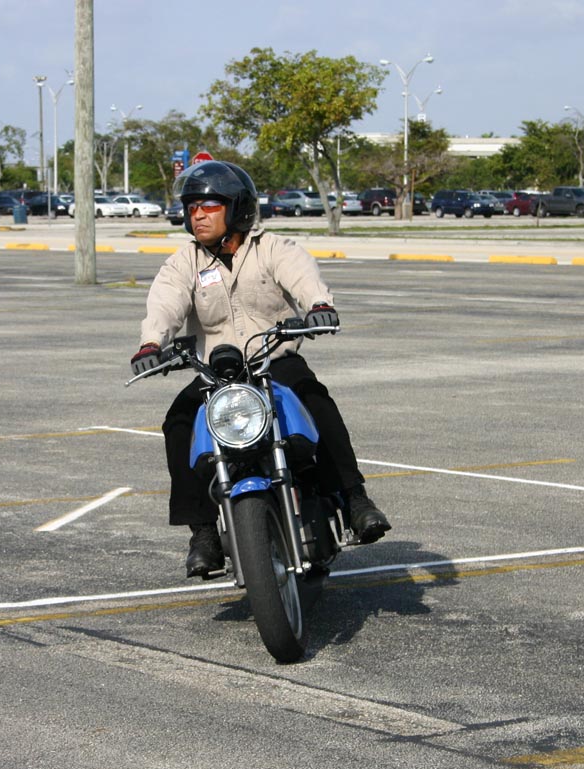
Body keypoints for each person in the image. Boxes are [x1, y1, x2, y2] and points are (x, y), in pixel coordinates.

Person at [131, 161, 390, 578]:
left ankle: (354, 497)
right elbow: (166, 302)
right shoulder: (184, 263)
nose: (197, 215)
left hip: (274, 362)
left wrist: (318, 305)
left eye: (208, 206)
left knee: (314, 399)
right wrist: (151, 344)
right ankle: (203, 533)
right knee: (178, 422)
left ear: (236, 208)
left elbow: (302, 276)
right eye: (192, 207)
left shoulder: (272, 248)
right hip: (215, 374)